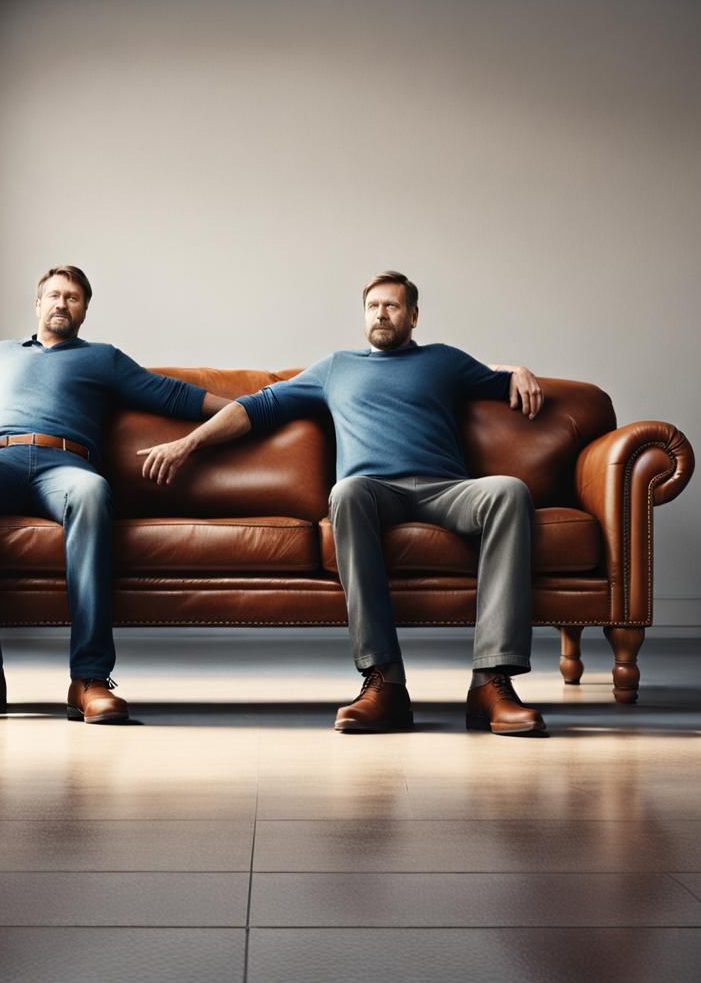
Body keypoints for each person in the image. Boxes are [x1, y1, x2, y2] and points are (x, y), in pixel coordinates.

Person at [138, 271, 547, 735]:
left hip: (445, 488)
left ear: (413, 316)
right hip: (372, 490)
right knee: (346, 492)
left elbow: (497, 380)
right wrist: (188, 443)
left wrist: (517, 369)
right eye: (373, 306)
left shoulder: (443, 360)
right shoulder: (337, 368)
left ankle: (491, 683)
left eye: (392, 306)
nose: (381, 314)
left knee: (509, 491)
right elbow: (257, 407)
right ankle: (384, 682)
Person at [0, 265, 228, 724]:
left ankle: (89, 679)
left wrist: (252, 407)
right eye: (54, 295)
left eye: (72, 298)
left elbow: (173, 396)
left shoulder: (102, 358)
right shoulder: (1, 354)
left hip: (66, 467)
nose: (61, 303)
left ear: (84, 310)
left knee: (93, 491)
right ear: (38, 304)